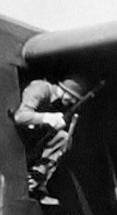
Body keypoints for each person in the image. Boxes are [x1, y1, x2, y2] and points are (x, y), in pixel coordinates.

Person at [14, 75, 90, 205]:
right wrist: (48, 118)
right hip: (14, 136)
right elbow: (20, 116)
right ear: (65, 91)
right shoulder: (40, 89)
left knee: (63, 137)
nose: (72, 102)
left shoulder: (57, 104)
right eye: (73, 97)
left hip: (31, 141)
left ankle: (37, 182)